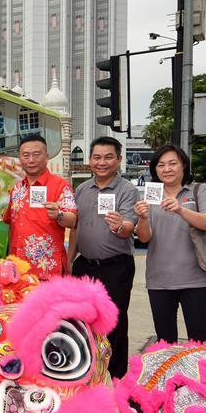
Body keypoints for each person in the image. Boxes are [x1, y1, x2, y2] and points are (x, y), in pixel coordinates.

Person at [67, 137, 138, 378]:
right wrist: (69, 261)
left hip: (116, 267)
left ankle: (115, 376)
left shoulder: (127, 190)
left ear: (119, 159)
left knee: (114, 323)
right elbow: (75, 228)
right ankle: (86, 371)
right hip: (84, 265)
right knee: (82, 321)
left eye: (108, 157)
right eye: (97, 157)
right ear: (89, 160)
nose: (102, 162)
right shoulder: (82, 189)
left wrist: (120, 226)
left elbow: (130, 226)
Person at [134, 144, 206, 343]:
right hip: (159, 280)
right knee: (165, 343)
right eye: (161, 165)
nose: (167, 169)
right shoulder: (149, 195)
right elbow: (144, 238)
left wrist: (181, 209)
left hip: (196, 279)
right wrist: (143, 218)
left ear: (184, 166)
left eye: (173, 163)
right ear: (155, 169)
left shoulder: (200, 190)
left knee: (199, 343)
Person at [3, 134, 76, 279]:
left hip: (48, 270)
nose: (31, 160)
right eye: (26, 155)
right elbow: (13, 227)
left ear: (47, 157)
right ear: (20, 158)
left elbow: (72, 220)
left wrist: (58, 214)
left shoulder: (61, 185)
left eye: (36, 155)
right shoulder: (16, 189)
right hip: (19, 270)